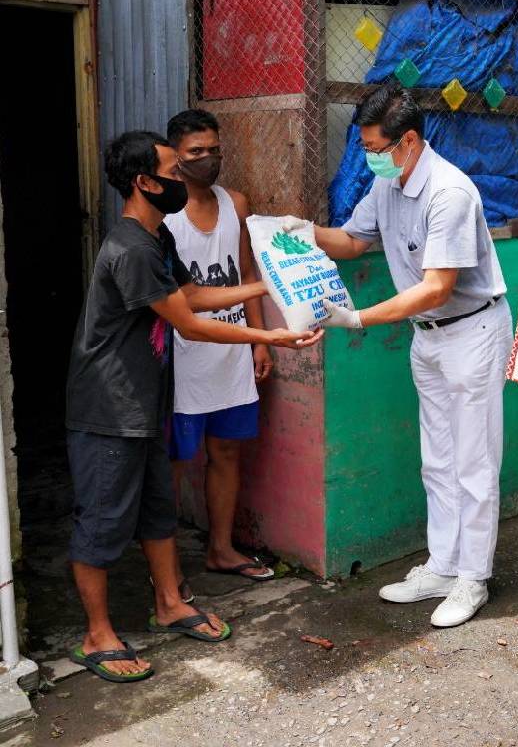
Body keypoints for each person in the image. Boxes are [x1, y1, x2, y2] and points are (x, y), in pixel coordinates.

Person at [66, 131, 320, 683]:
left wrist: (270, 288)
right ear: (145, 183)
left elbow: (195, 294)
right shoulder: (129, 248)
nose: (184, 180)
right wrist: (270, 337)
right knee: (103, 520)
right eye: (173, 172)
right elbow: (188, 324)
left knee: (158, 509)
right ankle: (95, 635)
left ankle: (170, 604)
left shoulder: (156, 239)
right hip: (108, 409)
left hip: (143, 402)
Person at [299, 84, 511, 629]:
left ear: (409, 142)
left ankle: (473, 578)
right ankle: (442, 566)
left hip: (471, 332)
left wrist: (358, 319)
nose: (368, 157)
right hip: (429, 338)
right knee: (437, 459)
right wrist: (299, 234)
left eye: (375, 147)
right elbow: (351, 241)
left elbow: (438, 287)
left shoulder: (450, 194)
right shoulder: (387, 183)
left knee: (474, 463)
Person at [164, 109, 275, 586]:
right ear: (175, 156)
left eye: (215, 150)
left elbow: (247, 274)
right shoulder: (164, 215)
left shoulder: (237, 204)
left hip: (233, 353)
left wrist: (260, 343)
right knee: (170, 464)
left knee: (226, 454)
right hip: (181, 357)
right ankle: (164, 571)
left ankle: (221, 549)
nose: (208, 160)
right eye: (196, 153)